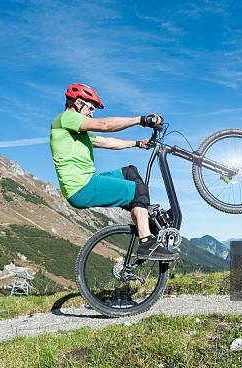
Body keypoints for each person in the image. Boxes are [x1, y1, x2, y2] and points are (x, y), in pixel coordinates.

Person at [50, 83, 178, 261]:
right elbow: (104, 125)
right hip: (82, 188)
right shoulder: (66, 118)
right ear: (78, 103)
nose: (92, 113)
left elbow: (107, 142)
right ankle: (146, 242)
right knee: (138, 190)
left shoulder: (77, 131)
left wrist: (137, 143)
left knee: (130, 172)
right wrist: (140, 120)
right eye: (90, 108)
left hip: (89, 181)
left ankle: (146, 222)